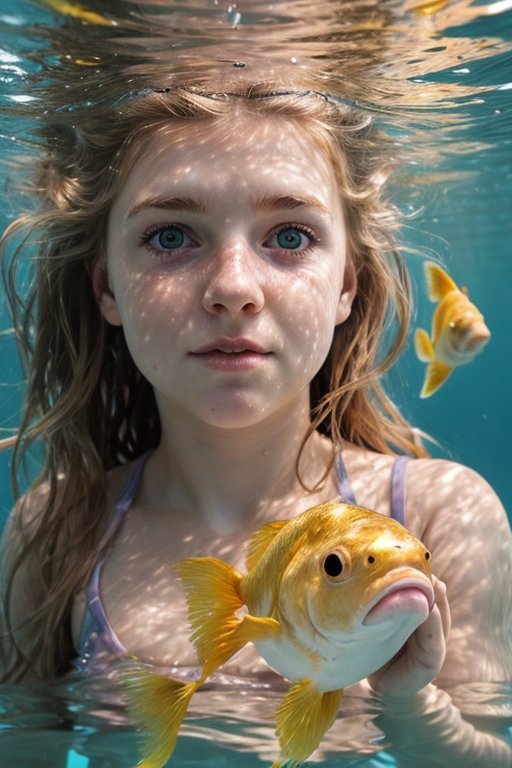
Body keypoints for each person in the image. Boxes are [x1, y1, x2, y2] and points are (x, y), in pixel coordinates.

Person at [0, 77, 511, 766]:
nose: (234, 288)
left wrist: (411, 704)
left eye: (290, 235)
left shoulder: (440, 514)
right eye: (172, 235)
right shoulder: (58, 525)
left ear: (347, 285)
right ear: (106, 287)